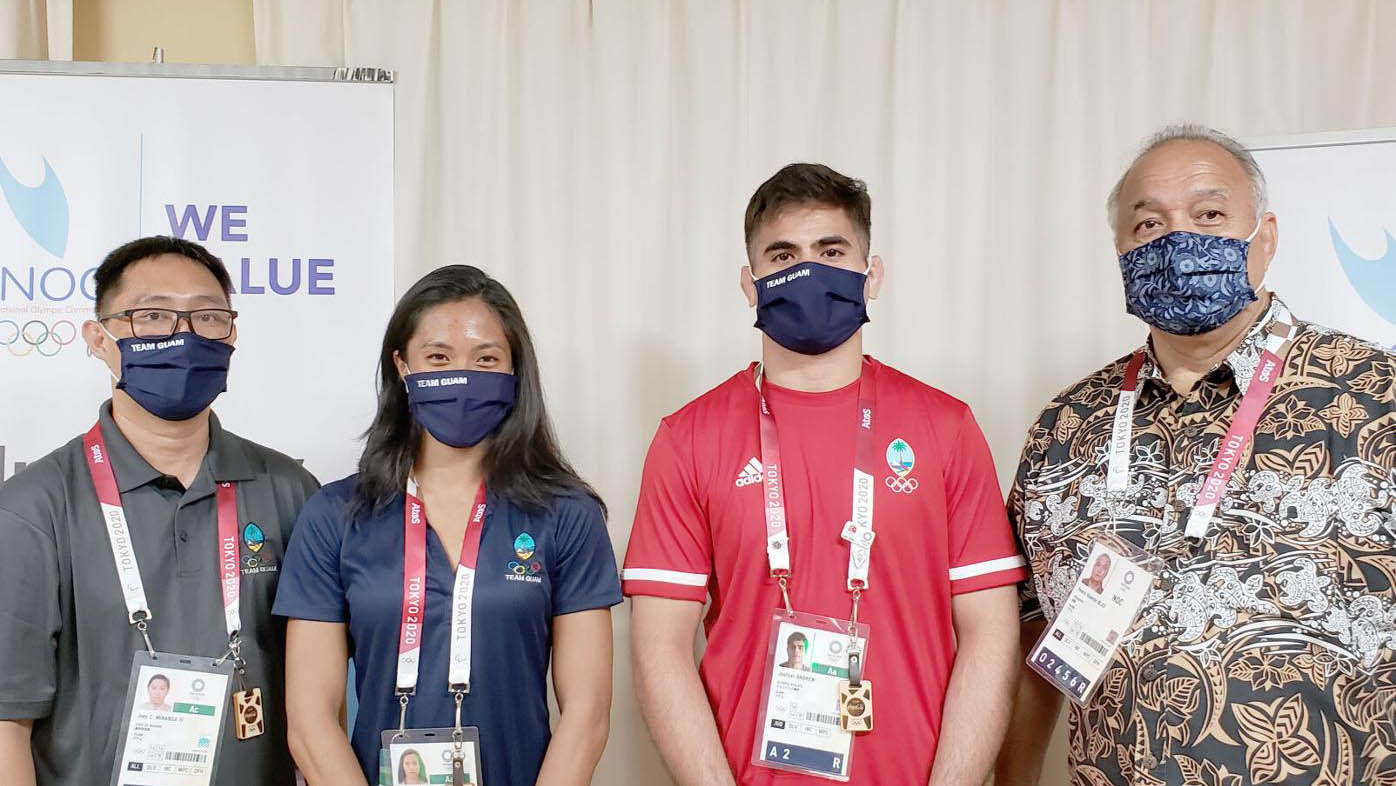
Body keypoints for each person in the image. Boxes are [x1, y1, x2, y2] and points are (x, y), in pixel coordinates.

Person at [995, 124, 1396, 786]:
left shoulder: (1375, 394)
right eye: (1148, 224)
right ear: (1121, 252)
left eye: (1210, 215)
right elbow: (1026, 635)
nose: (1179, 240)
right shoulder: (1065, 427)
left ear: (1265, 238)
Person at [625, 163, 1028, 786]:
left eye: (831, 251)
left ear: (873, 275)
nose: (807, 271)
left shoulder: (946, 427)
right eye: (783, 255)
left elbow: (991, 635)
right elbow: (660, 651)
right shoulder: (688, 439)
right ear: (750, 283)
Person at [275, 265, 620, 786]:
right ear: (401, 366)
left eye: (486, 359)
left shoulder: (566, 513)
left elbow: (587, 716)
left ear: (514, 371)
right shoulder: (335, 515)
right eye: (438, 357)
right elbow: (309, 721)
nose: (462, 376)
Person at [0, 236, 320, 786]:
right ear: (98, 340)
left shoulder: (291, 490)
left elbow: (321, 697)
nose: (183, 335)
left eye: (208, 316)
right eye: (152, 316)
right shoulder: (34, 506)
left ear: (232, 336)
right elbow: (8, 721)